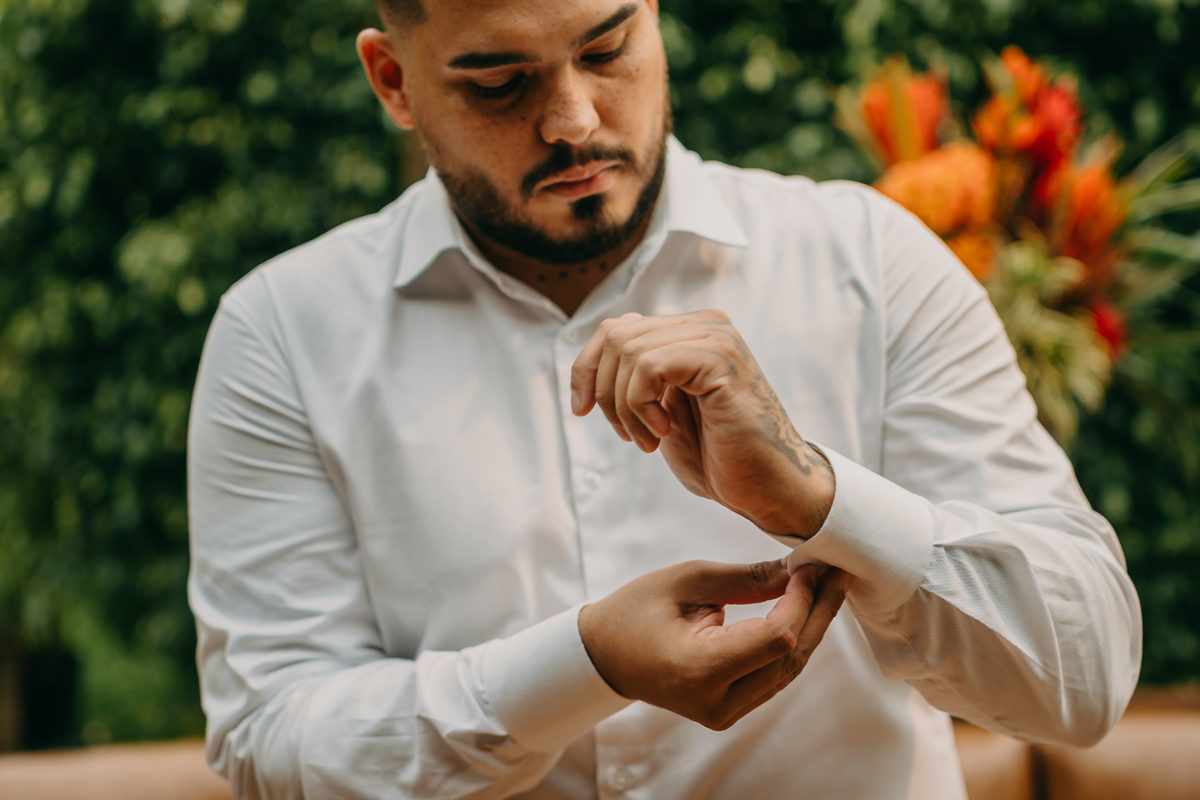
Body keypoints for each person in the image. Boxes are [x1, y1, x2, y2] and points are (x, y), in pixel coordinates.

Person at [186, 0, 1142, 797]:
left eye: (607, 50)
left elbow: (1088, 675)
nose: (573, 121)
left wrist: (821, 497)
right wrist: (581, 667)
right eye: (501, 84)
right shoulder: (283, 334)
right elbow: (271, 741)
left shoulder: (872, 262)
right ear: (393, 79)